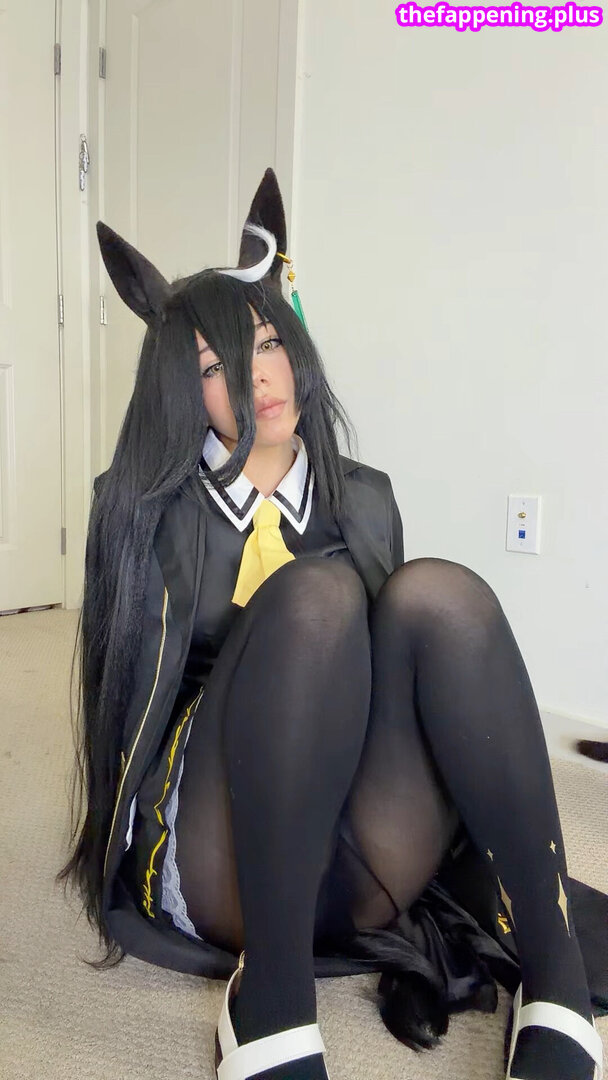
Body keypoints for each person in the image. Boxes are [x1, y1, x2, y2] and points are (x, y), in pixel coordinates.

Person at [58, 169, 606, 1080]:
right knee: (317, 598)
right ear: (180, 389)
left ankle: (558, 983)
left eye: (268, 342)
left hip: (355, 845)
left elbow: (406, 699)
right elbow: (127, 711)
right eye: (213, 366)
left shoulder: (366, 497)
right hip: (220, 853)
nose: (256, 376)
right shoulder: (142, 507)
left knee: (438, 594)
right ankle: (270, 1003)